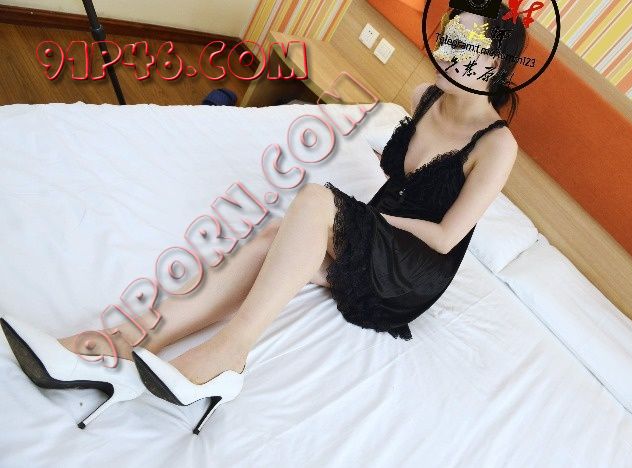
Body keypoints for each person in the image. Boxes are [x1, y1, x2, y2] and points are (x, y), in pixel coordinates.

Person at [1, 6, 526, 435]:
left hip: (413, 272)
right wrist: (361, 221)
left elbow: (446, 237)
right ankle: (125, 342)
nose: (448, 52)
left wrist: (360, 219)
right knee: (271, 238)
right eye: (449, 37)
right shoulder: (422, 97)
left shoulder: (497, 145)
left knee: (316, 199)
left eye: (468, 46)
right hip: (378, 237)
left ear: (497, 66)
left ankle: (230, 352)